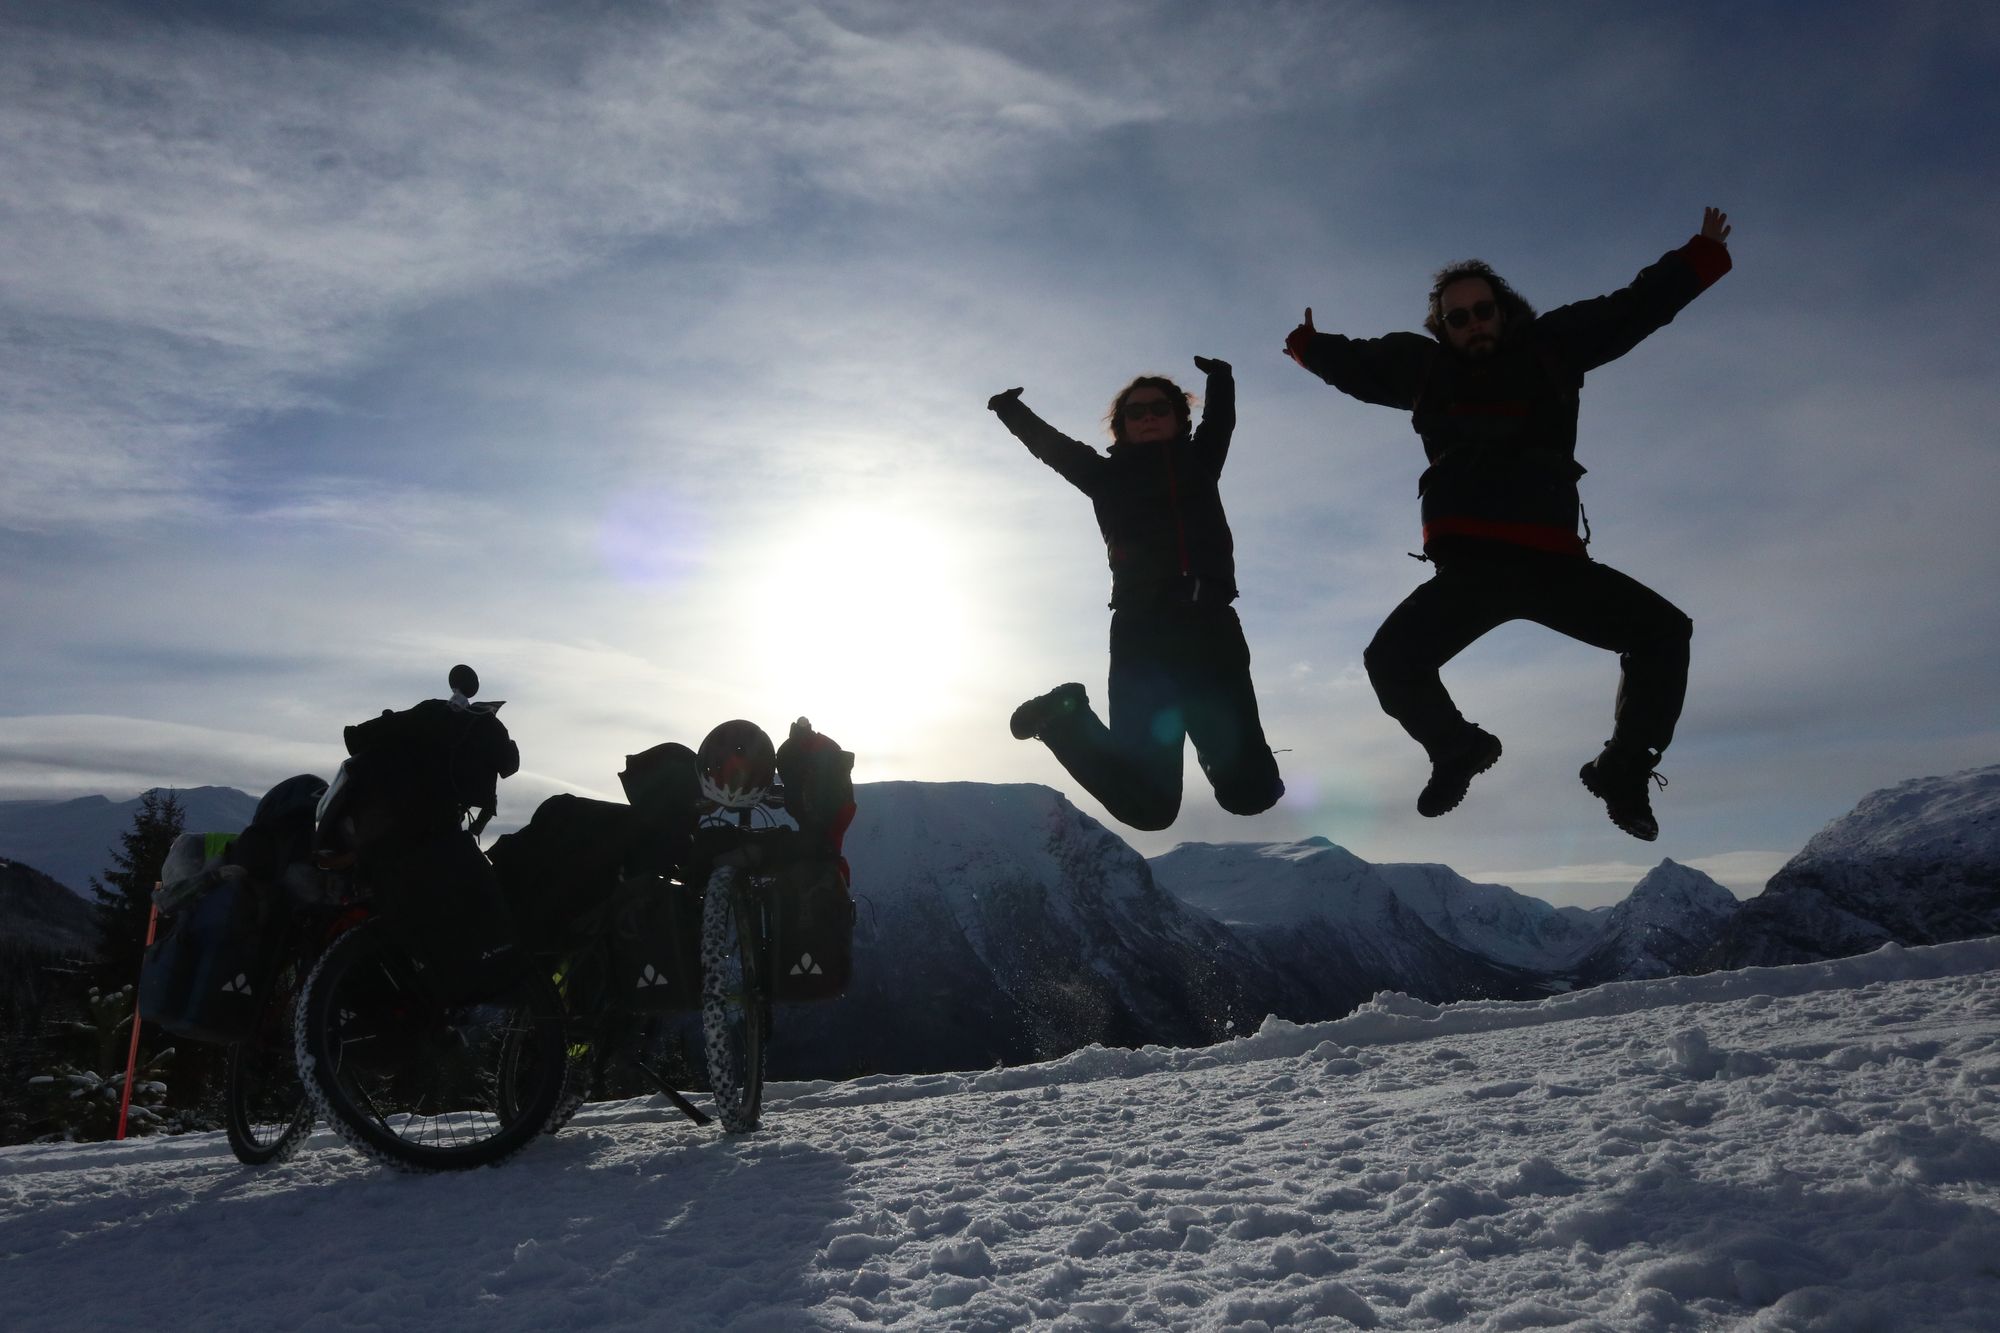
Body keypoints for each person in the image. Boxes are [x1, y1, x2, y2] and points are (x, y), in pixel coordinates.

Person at [1284, 208, 1734, 840]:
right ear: (1442, 327)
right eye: (1458, 317)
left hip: (1553, 563)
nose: (1474, 324)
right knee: (1391, 661)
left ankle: (1622, 770)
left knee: (1664, 634)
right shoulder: (1425, 369)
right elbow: (1360, 366)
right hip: (1470, 571)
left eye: (1483, 310)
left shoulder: (1554, 346)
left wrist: (1699, 257)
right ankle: (1457, 749)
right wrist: (1308, 347)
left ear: (1505, 308)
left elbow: (1633, 308)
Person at [989, 357, 1284, 831]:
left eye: (1159, 409)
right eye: (1136, 412)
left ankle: (1239, 762)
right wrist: (1010, 412)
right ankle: (1061, 718)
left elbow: (1220, 421)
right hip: (1143, 636)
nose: (1148, 417)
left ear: (1178, 418)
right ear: (1120, 426)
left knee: (1252, 794)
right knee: (1149, 810)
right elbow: (1053, 448)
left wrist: (1222, 378)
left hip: (1212, 631)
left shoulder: (1200, 462)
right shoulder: (1104, 475)